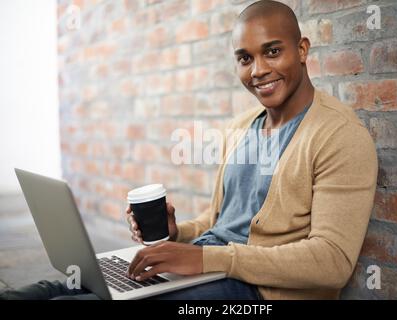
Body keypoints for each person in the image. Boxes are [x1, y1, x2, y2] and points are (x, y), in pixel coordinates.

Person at [0, 0, 377, 300]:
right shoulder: (241, 128)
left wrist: (204, 258)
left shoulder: (339, 136)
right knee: (64, 284)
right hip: (210, 265)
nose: (258, 70)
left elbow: (332, 262)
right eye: (245, 58)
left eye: (272, 51)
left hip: (257, 292)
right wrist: (178, 233)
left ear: (302, 49)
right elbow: (221, 224)